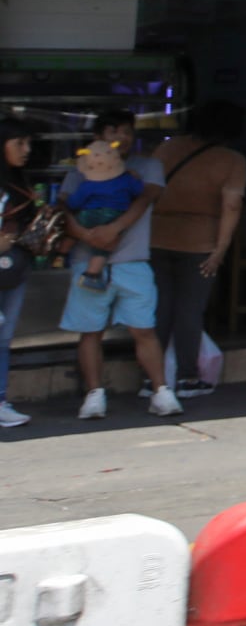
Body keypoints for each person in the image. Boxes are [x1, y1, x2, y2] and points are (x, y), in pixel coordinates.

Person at [58, 139, 179, 419]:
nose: (120, 138)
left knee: (142, 329)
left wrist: (102, 232)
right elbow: (64, 207)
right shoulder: (83, 174)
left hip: (127, 261)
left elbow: (147, 197)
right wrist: (93, 234)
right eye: (113, 131)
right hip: (97, 260)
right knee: (93, 331)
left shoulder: (145, 168)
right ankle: (95, 394)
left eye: (125, 131)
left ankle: (160, 391)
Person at [147, 101, 246, 398]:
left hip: (157, 236)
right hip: (199, 242)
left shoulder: (167, 149)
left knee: (160, 308)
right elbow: (231, 205)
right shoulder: (233, 160)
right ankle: (188, 377)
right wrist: (220, 249)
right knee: (189, 310)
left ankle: (152, 379)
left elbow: (148, 190)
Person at [0, 117, 42, 429]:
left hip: (15, 270)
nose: (26, 150)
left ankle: (0, 400)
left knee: (3, 338)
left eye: (28, 143)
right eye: (19, 143)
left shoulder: (19, 182)